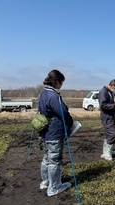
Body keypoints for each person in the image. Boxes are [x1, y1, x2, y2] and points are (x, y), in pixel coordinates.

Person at [38, 69, 73, 197]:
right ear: (57, 82)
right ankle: (54, 187)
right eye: (61, 82)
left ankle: (46, 182)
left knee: (46, 158)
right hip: (54, 132)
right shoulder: (53, 96)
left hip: (45, 131)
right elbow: (63, 113)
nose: (61, 85)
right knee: (55, 160)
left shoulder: (43, 93)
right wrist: (70, 123)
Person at [99, 79, 115, 160]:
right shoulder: (103, 92)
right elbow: (103, 105)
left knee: (109, 134)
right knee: (112, 134)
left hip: (112, 116)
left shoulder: (110, 92)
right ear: (112, 85)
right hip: (107, 117)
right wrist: (114, 105)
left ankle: (108, 151)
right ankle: (106, 153)